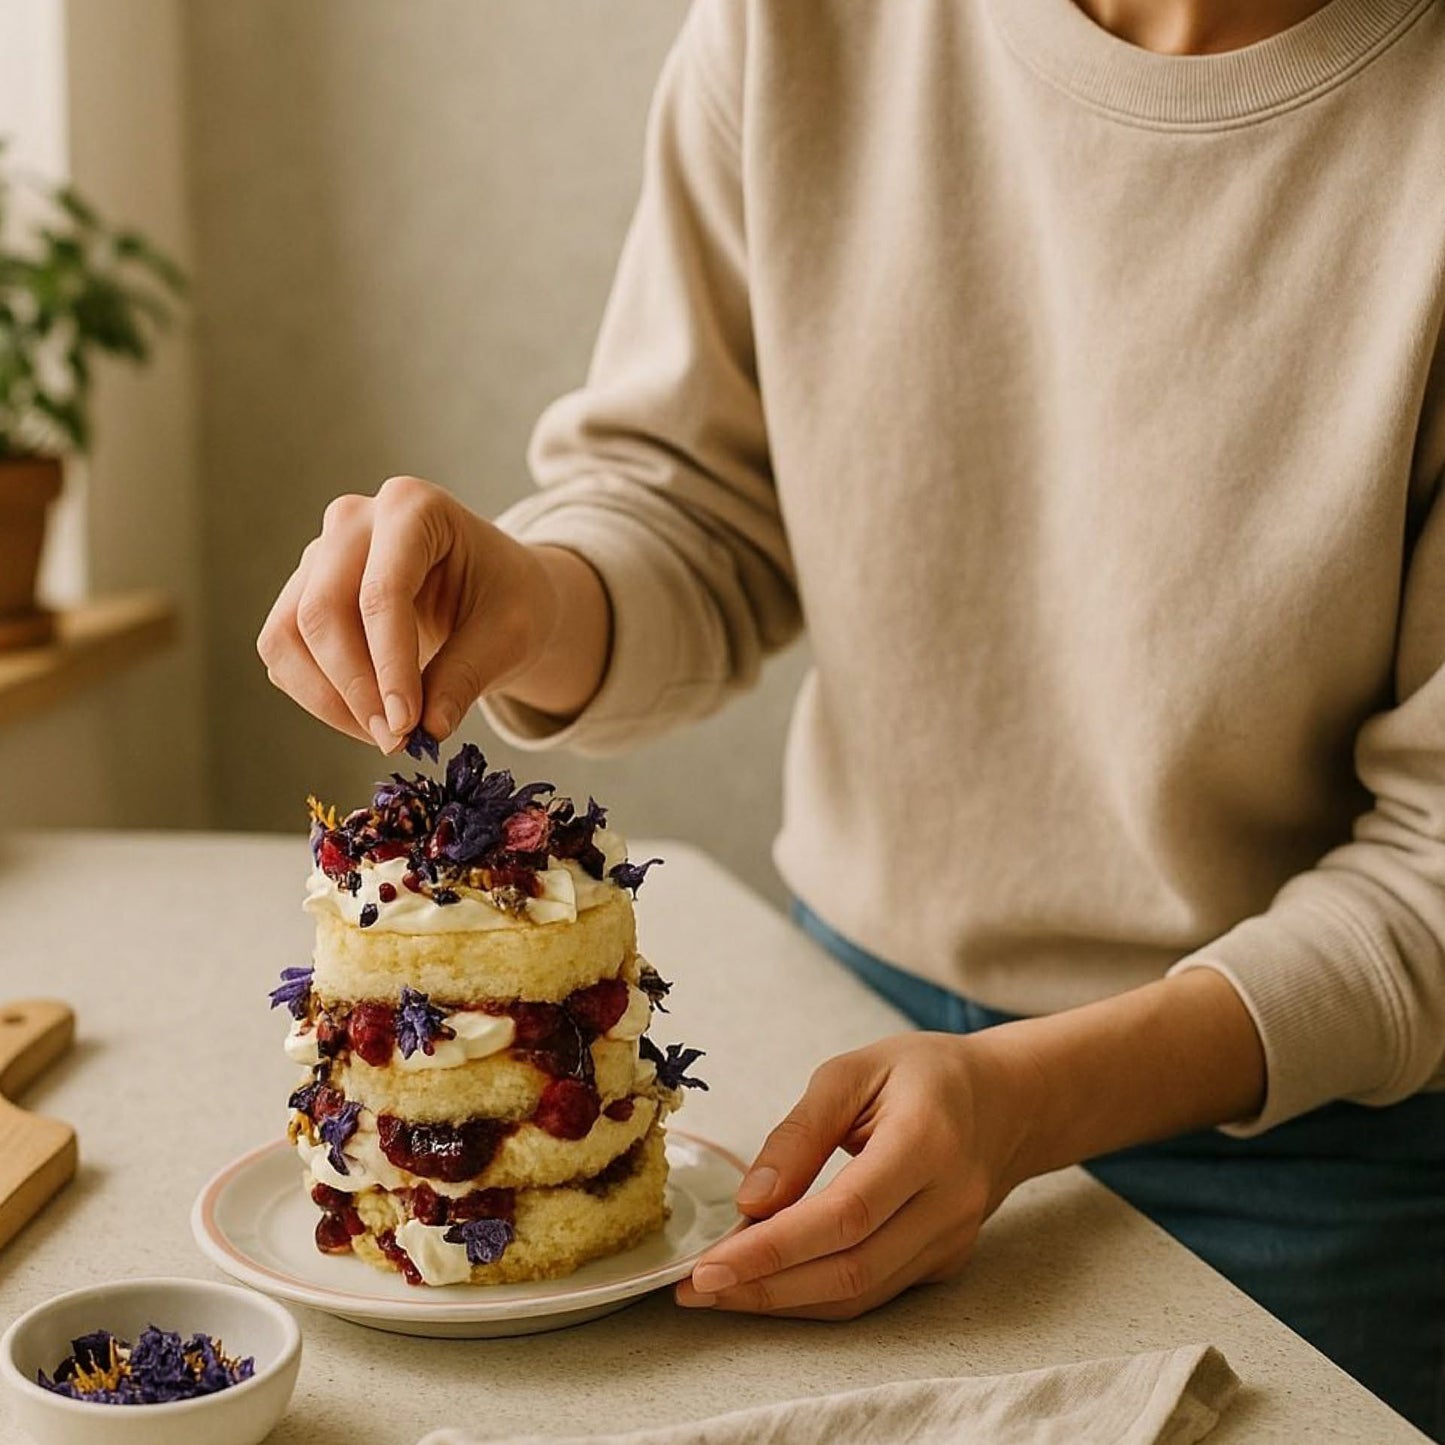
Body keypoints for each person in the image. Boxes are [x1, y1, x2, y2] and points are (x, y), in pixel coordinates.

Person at [258, 0, 1445, 1433]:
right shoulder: (796, 26)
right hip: (844, 1058)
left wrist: (1029, 1098)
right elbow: (697, 508)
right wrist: (536, 597)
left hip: (1303, 1138)